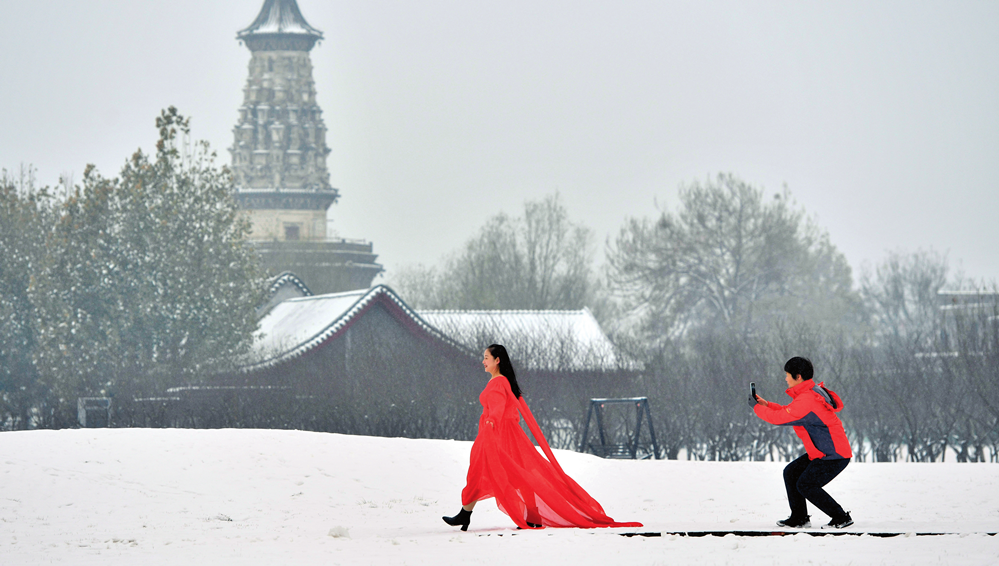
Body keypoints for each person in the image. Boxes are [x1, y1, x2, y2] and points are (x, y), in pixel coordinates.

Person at [442, 344, 642, 531]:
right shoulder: (501, 381)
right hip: (500, 433)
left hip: (498, 434)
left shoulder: (498, 382)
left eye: (486, 357)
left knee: (494, 471)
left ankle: (468, 514)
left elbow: (498, 406)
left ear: (497, 360)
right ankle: (476, 513)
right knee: (508, 472)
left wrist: (491, 421)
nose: (483, 361)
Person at [750, 356, 854, 529]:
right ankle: (799, 518)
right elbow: (788, 412)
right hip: (823, 452)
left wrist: (756, 408)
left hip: (834, 454)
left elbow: (780, 418)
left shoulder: (808, 399)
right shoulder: (809, 393)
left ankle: (841, 517)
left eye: (787, 375)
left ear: (798, 376)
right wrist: (766, 404)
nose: (785, 379)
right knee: (791, 473)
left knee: (806, 484)